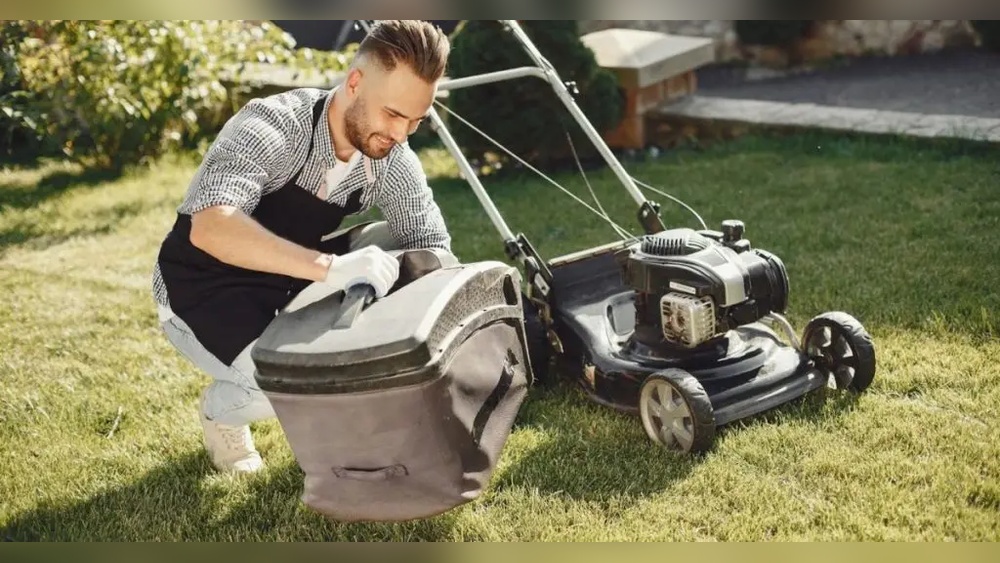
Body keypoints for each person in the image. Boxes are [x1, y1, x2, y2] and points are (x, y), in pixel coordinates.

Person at [151, 20, 453, 473]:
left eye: (415, 120)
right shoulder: (272, 124)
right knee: (289, 387)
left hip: (289, 279)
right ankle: (221, 409)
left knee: (417, 256)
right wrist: (332, 268)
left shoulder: (392, 157)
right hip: (200, 291)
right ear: (354, 83)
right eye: (392, 114)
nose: (402, 134)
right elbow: (211, 226)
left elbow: (434, 249)